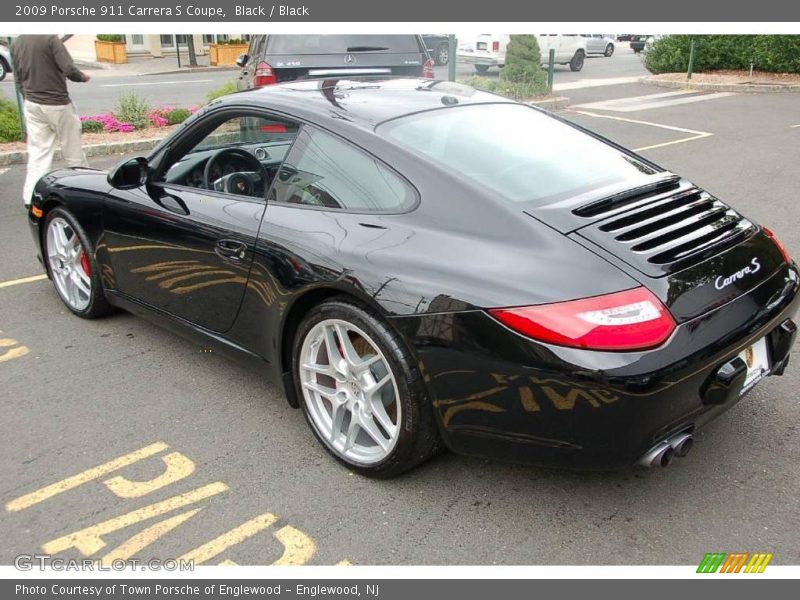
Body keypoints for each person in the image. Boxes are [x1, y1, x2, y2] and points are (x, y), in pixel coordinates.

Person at [11, 35, 91, 208]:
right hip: (57, 103)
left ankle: (30, 198)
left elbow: (18, 79)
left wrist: (28, 98)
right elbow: (69, 69)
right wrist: (83, 77)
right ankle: (84, 194)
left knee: (38, 154)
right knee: (73, 153)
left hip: (32, 104)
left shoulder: (17, 42)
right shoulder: (50, 39)